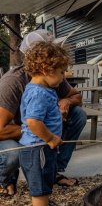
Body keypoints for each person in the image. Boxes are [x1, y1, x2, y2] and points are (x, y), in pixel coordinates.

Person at [0, 30, 86, 196]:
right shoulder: (13, 83)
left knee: (78, 114)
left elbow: (76, 96)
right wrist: (45, 133)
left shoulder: (53, 76)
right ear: (45, 64)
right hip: (11, 135)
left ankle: (53, 170)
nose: (64, 75)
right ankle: (5, 177)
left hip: (36, 130)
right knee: (13, 154)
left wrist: (66, 101)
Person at [19, 41, 68, 206]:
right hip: (38, 148)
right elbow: (33, 122)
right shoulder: (39, 93)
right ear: (48, 69)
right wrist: (51, 138)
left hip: (38, 148)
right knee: (40, 190)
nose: (63, 77)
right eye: (62, 72)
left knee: (44, 185)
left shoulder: (38, 89)